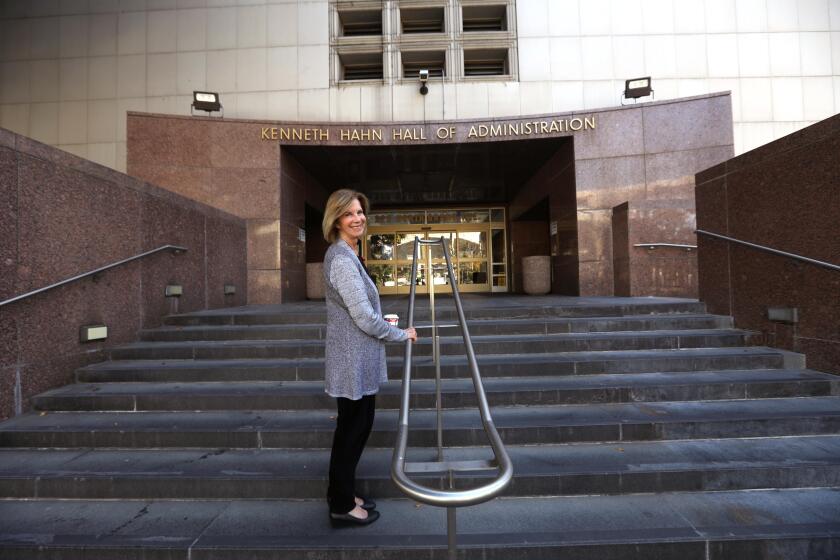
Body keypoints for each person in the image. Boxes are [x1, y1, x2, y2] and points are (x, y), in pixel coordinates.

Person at [321, 188, 418, 527]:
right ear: (336, 220)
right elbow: (362, 318)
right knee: (352, 431)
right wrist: (399, 334)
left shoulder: (349, 254)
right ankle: (341, 504)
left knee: (355, 429)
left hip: (358, 358)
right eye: (349, 213)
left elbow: (359, 311)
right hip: (352, 362)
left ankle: (342, 492)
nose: (358, 218)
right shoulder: (342, 259)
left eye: (360, 212)